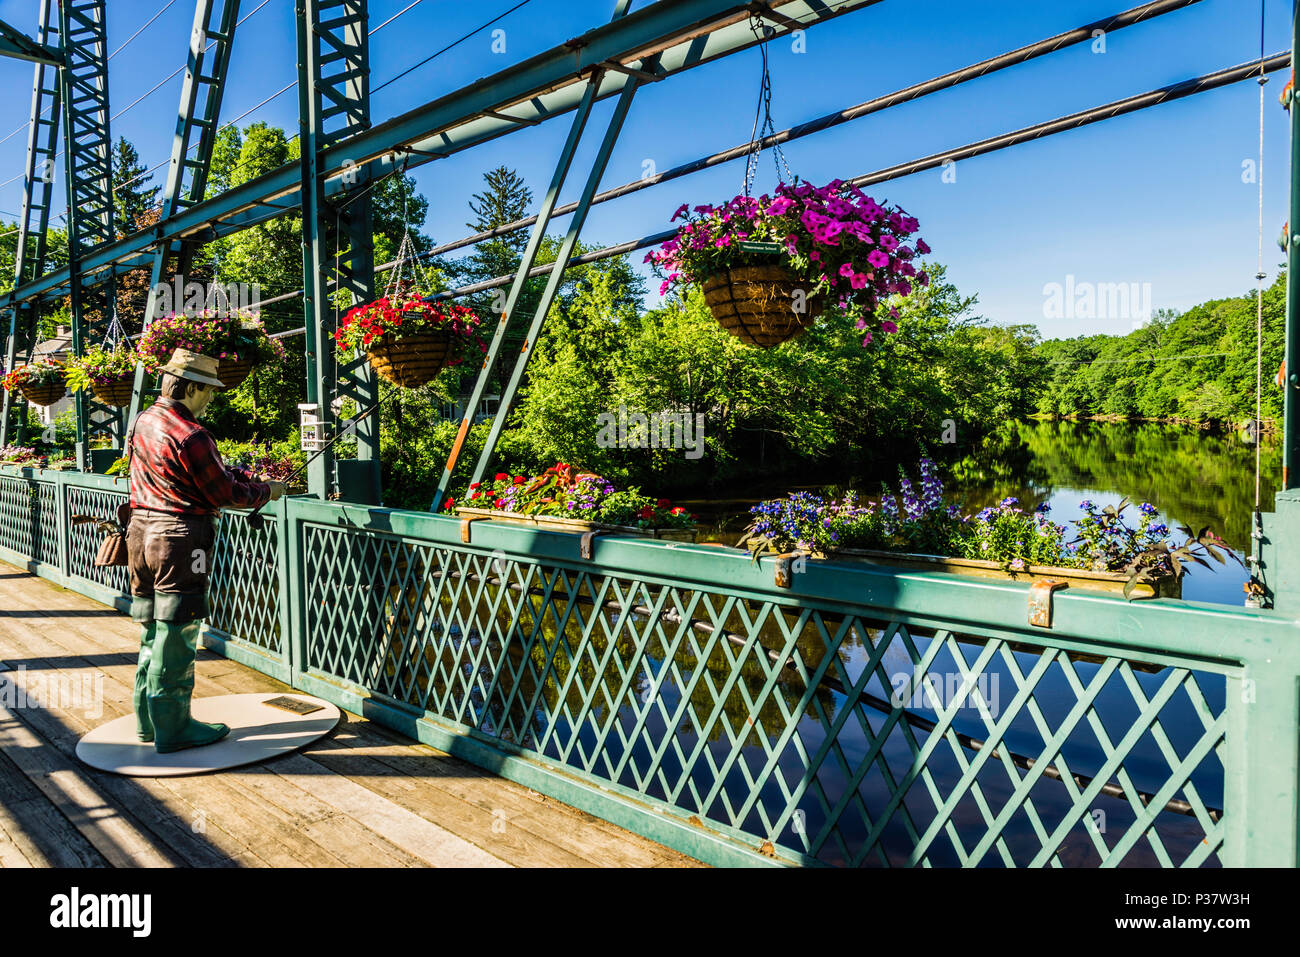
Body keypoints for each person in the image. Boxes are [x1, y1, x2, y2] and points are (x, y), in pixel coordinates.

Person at [125, 349, 286, 753]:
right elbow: (223, 493)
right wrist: (268, 490)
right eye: (209, 389)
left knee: (152, 628)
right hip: (180, 539)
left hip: (140, 532)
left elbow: (184, 473)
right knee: (178, 630)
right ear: (193, 387)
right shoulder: (192, 433)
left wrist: (238, 473)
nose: (212, 397)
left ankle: (148, 721)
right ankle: (175, 727)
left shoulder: (146, 420)